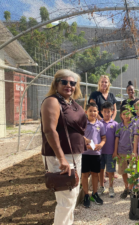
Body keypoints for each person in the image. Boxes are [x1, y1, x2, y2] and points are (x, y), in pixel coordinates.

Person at [41, 69, 88, 225]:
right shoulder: (52, 101)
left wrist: (83, 139)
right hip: (60, 156)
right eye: (64, 82)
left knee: (73, 195)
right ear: (56, 83)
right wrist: (61, 158)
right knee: (66, 199)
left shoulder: (71, 103)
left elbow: (72, 127)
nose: (69, 85)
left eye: (72, 83)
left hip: (75, 155)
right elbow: (49, 130)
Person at [82, 102, 106, 208]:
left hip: (96, 154)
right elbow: (80, 138)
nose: (93, 113)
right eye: (90, 110)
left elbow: (104, 138)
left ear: (98, 112)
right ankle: (86, 195)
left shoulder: (100, 124)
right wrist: (87, 146)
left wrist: (100, 145)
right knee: (85, 174)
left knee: (95, 174)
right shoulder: (83, 123)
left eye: (95, 111)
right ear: (86, 112)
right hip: (85, 154)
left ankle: (95, 194)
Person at [113, 106, 136, 199]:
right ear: (121, 115)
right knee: (123, 171)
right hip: (121, 152)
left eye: (128, 113)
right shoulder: (119, 126)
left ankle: (131, 188)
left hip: (132, 153)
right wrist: (115, 151)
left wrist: (135, 152)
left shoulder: (134, 125)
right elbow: (117, 139)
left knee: (133, 172)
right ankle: (126, 187)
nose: (126, 116)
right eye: (124, 114)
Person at [98, 102, 118, 198]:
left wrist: (115, 151)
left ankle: (111, 187)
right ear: (101, 112)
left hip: (111, 152)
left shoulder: (115, 124)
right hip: (100, 152)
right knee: (100, 170)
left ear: (112, 112)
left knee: (111, 171)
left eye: (108, 111)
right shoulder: (98, 123)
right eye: (104, 111)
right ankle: (101, 186)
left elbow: (117, 139)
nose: (106, 113)